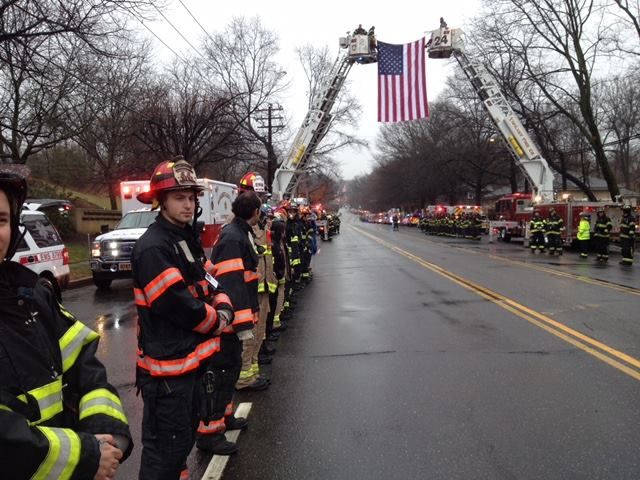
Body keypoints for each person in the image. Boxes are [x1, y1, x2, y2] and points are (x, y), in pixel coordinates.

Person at [0, 164, 133, 480]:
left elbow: (86, 370)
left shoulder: (31, 295)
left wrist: (105, 433)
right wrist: (86, 457)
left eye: (1, 220)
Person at [132, 157, 234, 478]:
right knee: (165, 453)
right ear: (160, 202)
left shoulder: (183, 238)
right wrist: (218, 319)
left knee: (179, 449)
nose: (188, 205)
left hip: (186, 366)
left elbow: (207, 279)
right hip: (167, 374)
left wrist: (222, 299)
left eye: (191, 198)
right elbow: (179, 306)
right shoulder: (153, 248)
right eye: (179, 198)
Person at [196, 191, 262, 455]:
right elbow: (232, 283)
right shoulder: (235, 237)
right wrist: (240, 324)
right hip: (229, 322)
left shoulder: (237, 232)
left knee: (230, 371)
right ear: (255, 211)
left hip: (231, 318)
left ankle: (224, 418)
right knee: (221, 374)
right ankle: (209, 434)